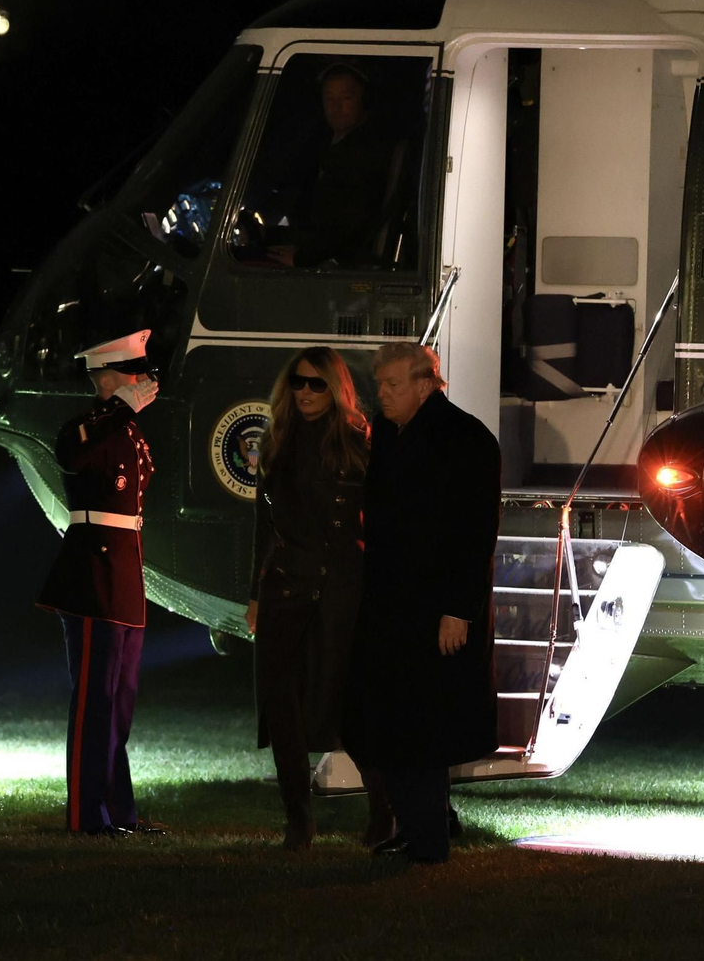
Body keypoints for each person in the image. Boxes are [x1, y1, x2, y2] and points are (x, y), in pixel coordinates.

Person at [342, 342, 501, 864]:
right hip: (391, 604)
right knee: (391, 722)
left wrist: (459, 608)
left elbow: (475, 532)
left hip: (435, 610)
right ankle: (416, 828)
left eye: (391, 384)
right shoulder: (389, 433)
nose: (381, 395)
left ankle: (428, 837)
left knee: (423, 726)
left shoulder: (466, 438)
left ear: (425, 383)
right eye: (379, 384)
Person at [246, 347, 386, 850]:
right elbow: (263, 519)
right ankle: (298, 819)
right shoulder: (277, 440)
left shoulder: (358, 442)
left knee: (347, 703)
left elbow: (380, 521)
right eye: (298, 383)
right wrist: (255, 593)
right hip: (284, 585)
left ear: (335, 388)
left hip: (340, 588)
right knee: (280, 701)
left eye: (316, 384)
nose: (304, 392)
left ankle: (382, 811)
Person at [34, 330, 166, 837]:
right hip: (92, 571)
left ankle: (118, 812)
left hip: (124, 572)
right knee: (95, 699)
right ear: (109, 379)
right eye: (134, 377)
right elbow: (70, 453)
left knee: (120, 700)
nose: (143, 386)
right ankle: (87, 816)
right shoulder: (92, 426)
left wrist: (124, 416)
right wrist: (120, 411)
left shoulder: (127, 432)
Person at [266, 63, 402, 270]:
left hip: (341, 268)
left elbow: (349, 224)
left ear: (364, 100)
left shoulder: (363, 153)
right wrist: (269, 234)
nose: (336, 106)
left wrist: (304, 258)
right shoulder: (329, 145)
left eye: (346, 98)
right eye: (329, 98)